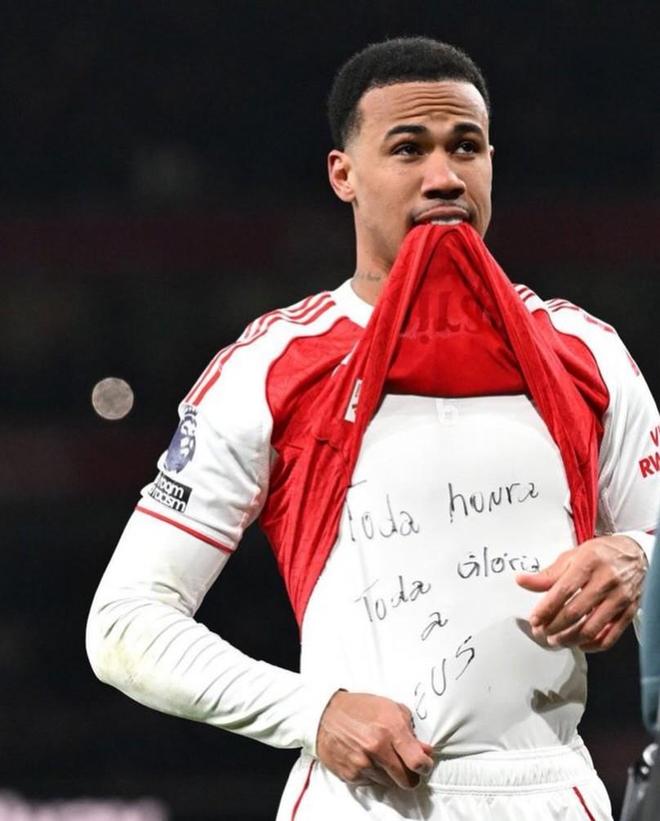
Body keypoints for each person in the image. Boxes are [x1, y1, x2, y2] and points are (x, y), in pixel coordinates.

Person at [86, 38, 659, 820]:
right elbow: (124, 621)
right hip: (359, 803)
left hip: (554, 794)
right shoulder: (272, 368)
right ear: (343, 174)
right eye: (409, 149)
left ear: (492, 162)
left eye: (466, 147)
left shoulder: (587, 352)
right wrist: (311, 712)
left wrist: (640, 559)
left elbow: (653, 547)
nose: (444, 176)